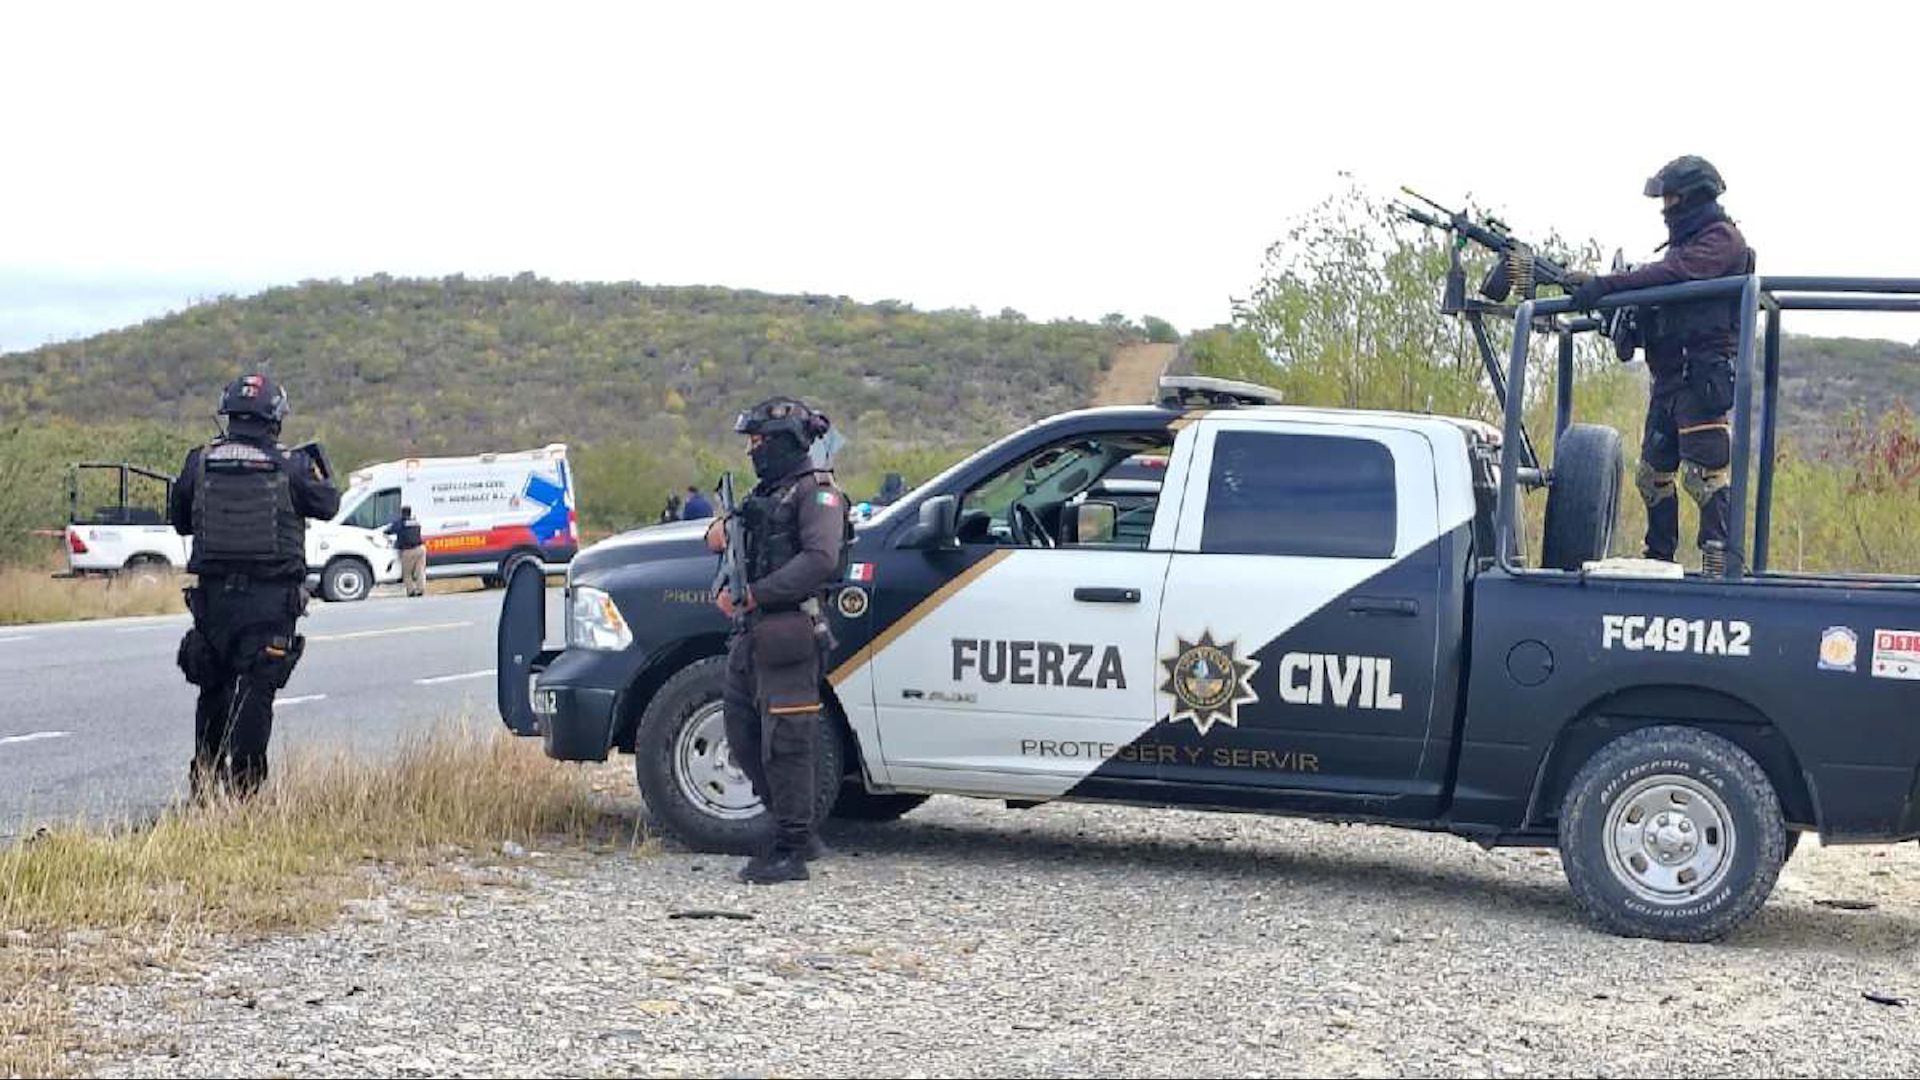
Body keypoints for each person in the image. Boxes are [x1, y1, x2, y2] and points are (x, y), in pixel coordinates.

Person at [1564, 155, 1755, 574]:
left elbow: (1672, 274)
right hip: (1668, 379)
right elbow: (1662, 283)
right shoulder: (1685, 245)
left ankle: (1718, 568)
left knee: (1705, 477)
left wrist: (1606, 285)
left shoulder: (1722, 240)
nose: (1666, 209)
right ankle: (1659, 560)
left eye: (1671, 199)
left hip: (1701, 377)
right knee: (1652, 477)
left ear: (1693, 197)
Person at [169, 373, 340, 799]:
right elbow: (328, 504)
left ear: (227, 413)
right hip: (270, 600)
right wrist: (318, 459)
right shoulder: (292, 465)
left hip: (212, 600)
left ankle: (205, 781)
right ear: (275, 417)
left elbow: (181, 521)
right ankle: (244, 792)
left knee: (213, 686)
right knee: (256, 691)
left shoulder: (199, 460)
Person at [704, 396, 849, 884]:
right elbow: (726, 541)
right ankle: (795, 831)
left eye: (758, 441)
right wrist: (722, 537)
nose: (752, 451)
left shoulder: (817, 492)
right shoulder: (767, 494)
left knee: (787, 745)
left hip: (790, 631)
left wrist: (755, 594)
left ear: (784, 442)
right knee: (742, 736)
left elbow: (821, 559)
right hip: (751, 635)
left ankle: (792, 846)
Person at [385, 505, 427, 597]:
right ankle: (420, 590)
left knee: (407, 573)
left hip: (408, 551)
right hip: (420, 549)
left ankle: (411, 591)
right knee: (420, 571)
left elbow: (388, 531)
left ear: (402, 513)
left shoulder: (400, 523)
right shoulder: (415, 522)